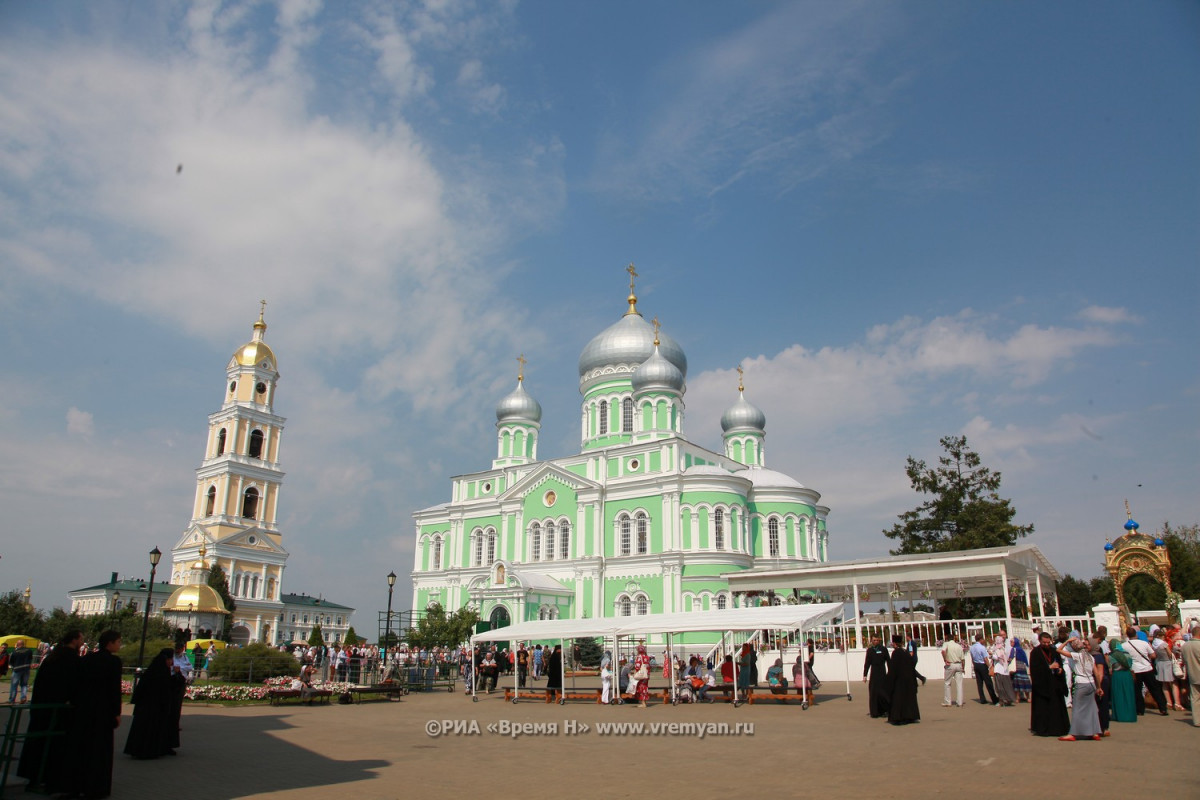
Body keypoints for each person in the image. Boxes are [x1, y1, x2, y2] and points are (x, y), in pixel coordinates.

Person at [17, 630, 83, 793]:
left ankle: (31, 776)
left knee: (37, 741)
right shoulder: (72, 659)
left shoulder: (52, 658)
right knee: (55, 745)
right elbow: (74, 685)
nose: (82, 642)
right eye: (81, 639)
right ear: (74, 641)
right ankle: (51, 779)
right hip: (59, 710)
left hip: (42, 706)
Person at [73, 630, 123, 798]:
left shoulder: (87, 659)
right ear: (110, 643)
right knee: (100, 749)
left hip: (85, 709)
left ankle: (78, 783)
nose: (120, 645)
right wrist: (116, 712)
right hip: (103, 711)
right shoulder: (114, 662)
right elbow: (114, 689)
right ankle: (97, 786)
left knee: (83, 747)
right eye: (118, 642)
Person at [124, 648, 176, 759]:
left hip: (145, 707)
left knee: (142, 729)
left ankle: (138, 749)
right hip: (154, 707)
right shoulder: (161, 673)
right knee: (150, 729)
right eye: (171, 659)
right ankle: (149, 750)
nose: (171, 662)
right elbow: (166, 690)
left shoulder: (153, 671)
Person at [1057, 635, 1102, 741]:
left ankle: (1073, 733)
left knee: (1077, 708)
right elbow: (1096, 674)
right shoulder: (1090, 657)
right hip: (1091, 683)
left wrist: (1067, 640)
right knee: (1091, 708)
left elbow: (1058, 650)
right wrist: (1099, 687)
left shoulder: (1077, 655)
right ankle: (1094, 732)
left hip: (1081, 682)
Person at [1028, 631, 1070, 737]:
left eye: (1048, 642)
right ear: (1040, 641)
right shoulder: (1035, 653)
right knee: (1043, 709)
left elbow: (1059, 664)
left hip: (1055, 684)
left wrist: (1060, 669)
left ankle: (1058, 729)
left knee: (1056, 708)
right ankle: (1043, 729)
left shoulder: (1054, 650)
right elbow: (1035, 670)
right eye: (1044, 643)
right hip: (1042, 685)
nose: (1047, 645)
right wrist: (1049, 668)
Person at [1123, 626, 1168, 715]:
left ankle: (1140, 710)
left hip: (1134, 670)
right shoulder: (1144, 643)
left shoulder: (1124, 645)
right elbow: (1153, 655)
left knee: (1137, 691)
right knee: (1155, 689)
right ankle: (1162, 708)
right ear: (1136, 634)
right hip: (1147, 668)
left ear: (1127, 635)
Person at [886, 634, 920, 725]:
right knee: (908, 698)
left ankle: (898, 717)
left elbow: (893, 668)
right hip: (908, 679)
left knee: (898, 699)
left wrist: (890, 680)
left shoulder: (896, 653)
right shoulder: (905, 652)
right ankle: (910, 716)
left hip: (899, 680)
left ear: (894, 644)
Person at [1151, 628, 1182, 711]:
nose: (1164, 637)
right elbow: (1169, 654)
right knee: (1174, 684)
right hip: (1167, 663)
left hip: (1160, 663)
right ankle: (1177, 703)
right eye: (1163, 636)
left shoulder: (1154, 644)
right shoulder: (1163, 644)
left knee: (1164, 684)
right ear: (1160, 636)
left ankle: (1168, 702)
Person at [862, 635, 890, 718]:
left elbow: (888, 660)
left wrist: (891, 672)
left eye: (877, 640)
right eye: (874, 640)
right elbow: (867, 663)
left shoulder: (883, 649)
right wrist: (865, 675)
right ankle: (874, 712)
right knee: (874, 693)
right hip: (874, 673)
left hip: (882, 672)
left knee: (883, 693)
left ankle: (885, 710)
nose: (876, 642)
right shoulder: (870, 651)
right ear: (871, 641)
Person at [969, 634, 999, 705]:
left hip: (976, 665)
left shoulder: (972, 647)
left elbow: (972, 657)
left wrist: (974, 664)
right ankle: (994, 699)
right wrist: (989, 666)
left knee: (979, 683)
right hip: (982, 665)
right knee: (988, 683)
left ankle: (982, 699)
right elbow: (985, 659)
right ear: (981, 639)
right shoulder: (982, 647)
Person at [940, 632, 966, 707]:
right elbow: (963, 659)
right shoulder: (959, 646)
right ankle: (960, 702)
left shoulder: (946, 644)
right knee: (959, 683)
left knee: (947, 682)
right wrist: (963, 668)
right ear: (954, 638)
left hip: (950, 664)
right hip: (959, 664)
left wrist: (945, 660)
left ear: (947, 639)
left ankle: (948, 702)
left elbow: (943, 651)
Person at [1182, 624, 1200, 728]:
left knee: (1194, 698)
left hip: (1192, 674)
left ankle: (1197, 720)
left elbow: (1184, 661)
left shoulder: (1185, 646)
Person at [991, 635, 1016, 706]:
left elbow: (997, 657)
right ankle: (1009, 700)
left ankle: (1001, 701)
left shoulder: (997, 649)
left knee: (1000, 686)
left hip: (999, 669)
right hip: (1005, 670)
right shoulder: (1004, 648)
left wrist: (991, 655)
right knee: (1007, 685)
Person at [7, 638, 33, 704]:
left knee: (14, 685)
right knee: (24, 684)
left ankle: (12, 700)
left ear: (17, 644)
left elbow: (11, 661)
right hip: (26, 669)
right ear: (23, 644)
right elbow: (30, 658)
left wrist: (12, 667)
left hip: (17, 669)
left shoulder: (15, 652)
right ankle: (23, 697)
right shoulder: (29, 650)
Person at [1010, 637, 1031, 703]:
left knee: (1017, 682)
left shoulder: (1014, 649)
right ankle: (1028, 698)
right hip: (1023, 667)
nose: (1011, 643)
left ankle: (1017, 698)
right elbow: (1025, 658)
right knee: (1024, 681)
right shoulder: (1021, 649)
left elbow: (1011, 658)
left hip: (1016, 667)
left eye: (1012, 642)